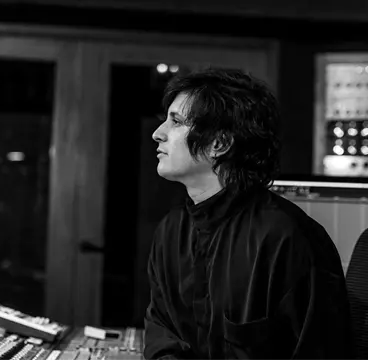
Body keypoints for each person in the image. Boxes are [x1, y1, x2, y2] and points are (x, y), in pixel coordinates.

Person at [144, 68, 352, 360]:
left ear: (219, 144)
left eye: (176, 121)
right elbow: (162, 332)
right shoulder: (171, 231)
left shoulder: (287, 238)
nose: (157, 133)